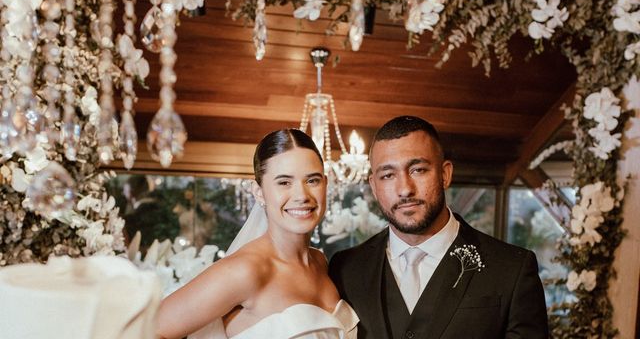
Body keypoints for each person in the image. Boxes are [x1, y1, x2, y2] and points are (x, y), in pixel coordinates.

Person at [329, 116, 548, 339]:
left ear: (445, 174)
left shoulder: (512, 269)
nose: (404, 189)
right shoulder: (345, 269)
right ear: (374, 186)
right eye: (388, 175)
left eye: (418, 170)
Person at [156, 129, 358, 339]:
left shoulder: (321, 262)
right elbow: (147, 331)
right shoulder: (245, 270)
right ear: (258, 192)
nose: (301, 195)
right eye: (284, 182)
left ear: (325, 184)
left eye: (312, 180)